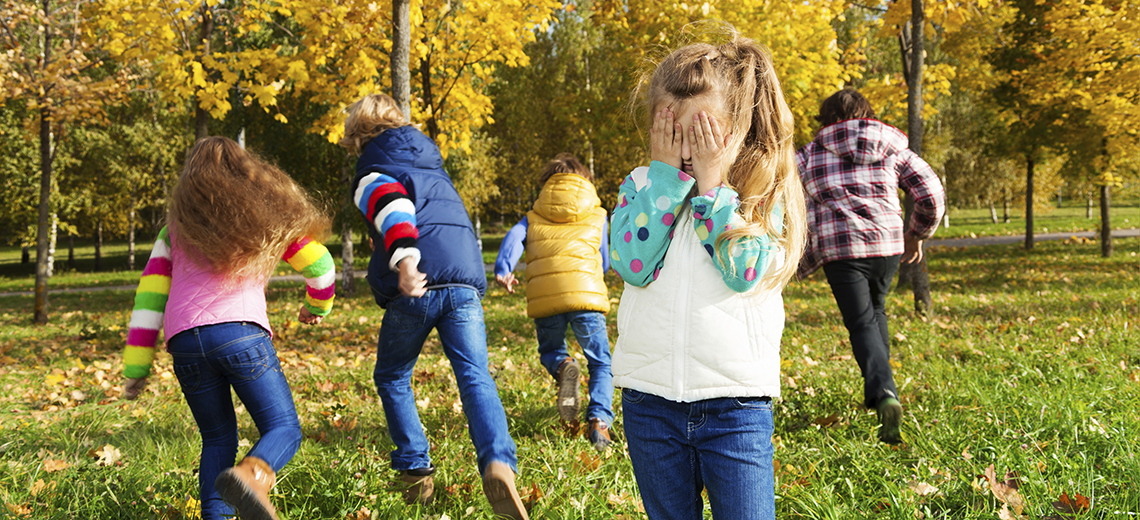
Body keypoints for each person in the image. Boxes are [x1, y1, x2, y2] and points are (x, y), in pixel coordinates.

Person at [609, 34, 807, 520]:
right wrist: (663, 180)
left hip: (734, 405)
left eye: (702, 134)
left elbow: (744, 272)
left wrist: (714, 190)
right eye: (672, 133)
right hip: (649, 401)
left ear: (737, 128)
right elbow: (630, 264)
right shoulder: (641, 186)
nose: (687, 149)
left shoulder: (759, 193)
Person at [120, 137, 337, 520]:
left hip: (185, 344)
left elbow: (149, 299)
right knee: (283, 427)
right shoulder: (261, 215)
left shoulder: (175, 229)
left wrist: (136, 369)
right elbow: (320, 266)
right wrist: (316, 306)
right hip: (240, 334)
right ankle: (252, 476)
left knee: (217, 438)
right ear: (245, 173)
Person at [338, 93, 528, 519]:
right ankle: (499, 463)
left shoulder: (373, 166)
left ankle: (413, 468)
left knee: (391, 376)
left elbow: (394, 206)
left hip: (418, 284)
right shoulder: (431, 162)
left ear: (357, 134)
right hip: (463, 279)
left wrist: (406, 261)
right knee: (475, 375)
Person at [796, 88, 945, 445]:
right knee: (876, 311)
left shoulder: (807, 156)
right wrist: (917, 234)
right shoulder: (891, 147)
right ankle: (881, 389)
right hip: (887, 246)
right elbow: (930, 192)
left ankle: (883, 393)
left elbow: (786, 200)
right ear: (867, 114)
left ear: (825, 119)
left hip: (841, 248)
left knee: (861, 321)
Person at [493, 153, 614, 451]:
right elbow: (606, 260)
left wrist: (504, 271)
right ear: (584, 181)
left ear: (548, 184)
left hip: (546, 297)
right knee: (600, 362)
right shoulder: (598, 215)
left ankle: (563, 365)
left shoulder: (532, 216)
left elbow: (512, 239)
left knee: (550, 350)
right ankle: (599, 421)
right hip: (586, 296)